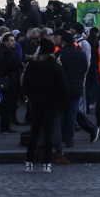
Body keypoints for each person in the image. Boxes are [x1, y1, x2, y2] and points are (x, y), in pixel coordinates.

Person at [21, 37, 69, 172]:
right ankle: (47, 163)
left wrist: (31, 97)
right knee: (48, 133)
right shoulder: (55, 66)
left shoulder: (32, 65)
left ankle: (29, 162)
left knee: (34, 132)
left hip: (36, 103)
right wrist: (61, 103)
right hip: (52, 104)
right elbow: (64, 87)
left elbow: (25, 85)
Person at [57, 32, 99, 147]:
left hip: (63, 88)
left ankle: (63, 137)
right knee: (72, 113)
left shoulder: (60, 54)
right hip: (77, 87)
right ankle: (69, 139)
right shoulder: (80, 54)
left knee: (62, 113)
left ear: (63, 41)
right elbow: (86, 67)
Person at [0, 32, 21, 134]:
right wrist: (18, 64)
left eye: (14, 40)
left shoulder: (8, 51)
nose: (13, 42)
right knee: (6, 105)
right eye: (11, 40)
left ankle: (6, 126)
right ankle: (5, 126)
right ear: (6, 42)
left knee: (7, 104)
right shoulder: (5, 52)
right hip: (8, 81)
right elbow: (8, 66)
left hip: (9, 80)